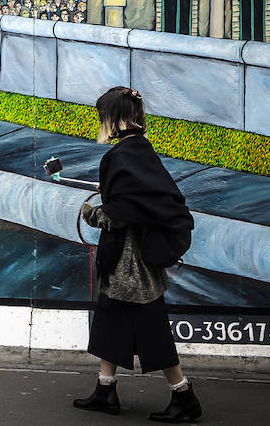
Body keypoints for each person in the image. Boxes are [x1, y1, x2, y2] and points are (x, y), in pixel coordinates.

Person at [73, 86, 202, 423]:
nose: (101, 123)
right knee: (110, 320)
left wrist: (93, 213)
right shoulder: (138, 150)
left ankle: (184, 395)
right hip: (132, 258)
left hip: (131, 262)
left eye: (103, 116)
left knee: (150, 328)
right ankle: (105, 389)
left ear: (118, 119)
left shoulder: (123, 156)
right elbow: (142, 198)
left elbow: (125, 213)